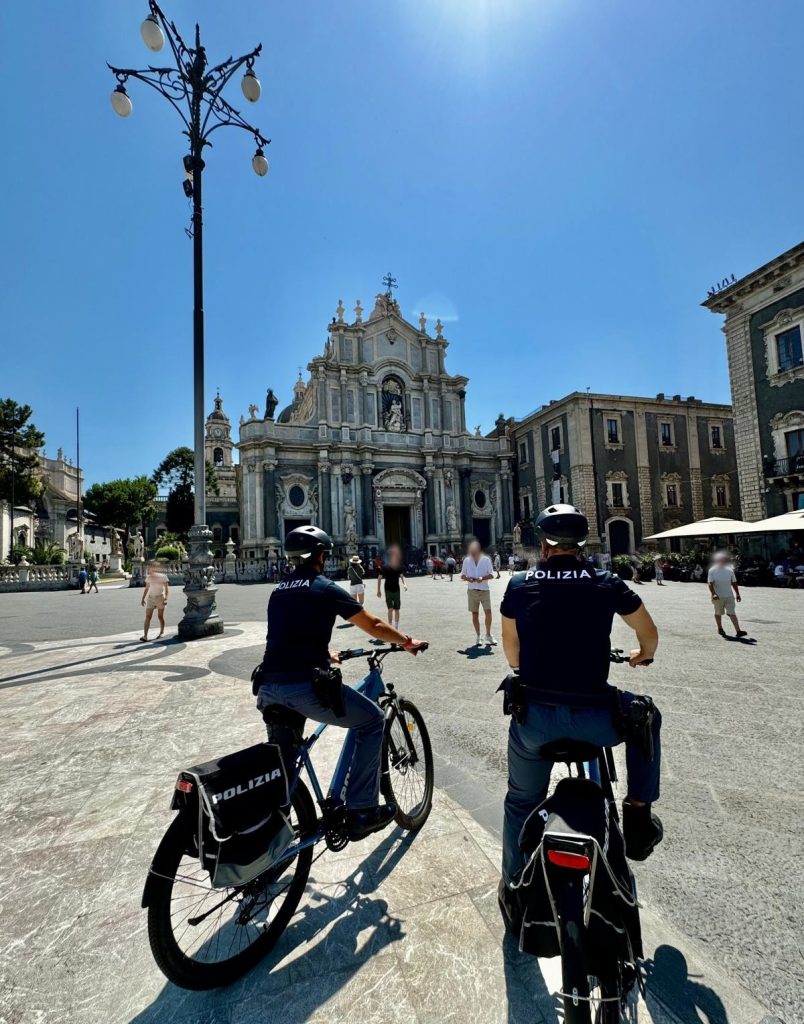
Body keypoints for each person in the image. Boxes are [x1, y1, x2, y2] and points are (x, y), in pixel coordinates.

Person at [497, 503, 663, 925]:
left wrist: (528, 669)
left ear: (542, 544)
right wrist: (641, 656)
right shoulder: (606, 581)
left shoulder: (519, 584)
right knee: (646, 716)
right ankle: (639, 814)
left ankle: (514, 888)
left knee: (521, 800)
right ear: (582, 542)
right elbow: (648, 634)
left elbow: (512, 653)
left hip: (535, 719)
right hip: (598, 718)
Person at [254, 526, 427, 840]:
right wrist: (406, 641)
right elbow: (373, 624)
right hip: (302, 687)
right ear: (321, 556)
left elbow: (289, 637)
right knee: (373, 720)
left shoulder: (278, 590)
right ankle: (362, 809)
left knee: (285, 762)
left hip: (268, 687)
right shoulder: (323, 587)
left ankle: (269, 833)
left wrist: (324, 653)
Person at [461, 539, 496, 647]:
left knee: (488, 612)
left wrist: (482, 578)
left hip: (484, 590)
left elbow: (491, 574)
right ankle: (478, 636)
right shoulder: (466, 561)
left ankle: (488, 635)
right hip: (472, 591)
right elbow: (462, 575)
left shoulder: (486, 560)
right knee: (475, 614)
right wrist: (468, 579)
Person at [707, 551, 747, 637]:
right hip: (718, 596)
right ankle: (720, 628)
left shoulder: (729, 570)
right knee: (718, 612)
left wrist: (737, 594)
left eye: (724, 559)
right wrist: (713, 593)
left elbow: (734, 582)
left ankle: (738, 631)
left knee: (732, 612)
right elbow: (710, 583)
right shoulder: (712, 570)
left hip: (729, 595)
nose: (722, 561)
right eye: (720, 559)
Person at [377, 545, 408, 628]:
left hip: (396, 590)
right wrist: (378, 590)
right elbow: (379, 578)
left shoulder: (398, 567)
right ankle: (390, 626)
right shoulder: (384, 567)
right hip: (388, 589)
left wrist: (405, 584)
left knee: (397, 609)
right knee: (390, 609)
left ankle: (396, 626)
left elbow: (402, 576)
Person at [140, 561, 169, 641]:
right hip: (151, 598)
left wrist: (166, 598)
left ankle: (162, 632)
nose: (149, 569)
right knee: (148, 616)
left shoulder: (163, 576)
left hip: (160, 597)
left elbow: (166, 589)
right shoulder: (148, 577)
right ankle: (145, 636)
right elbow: (146, 588)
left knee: (160, 616)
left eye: (150, 568)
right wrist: (143, 599)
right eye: (149, 568)